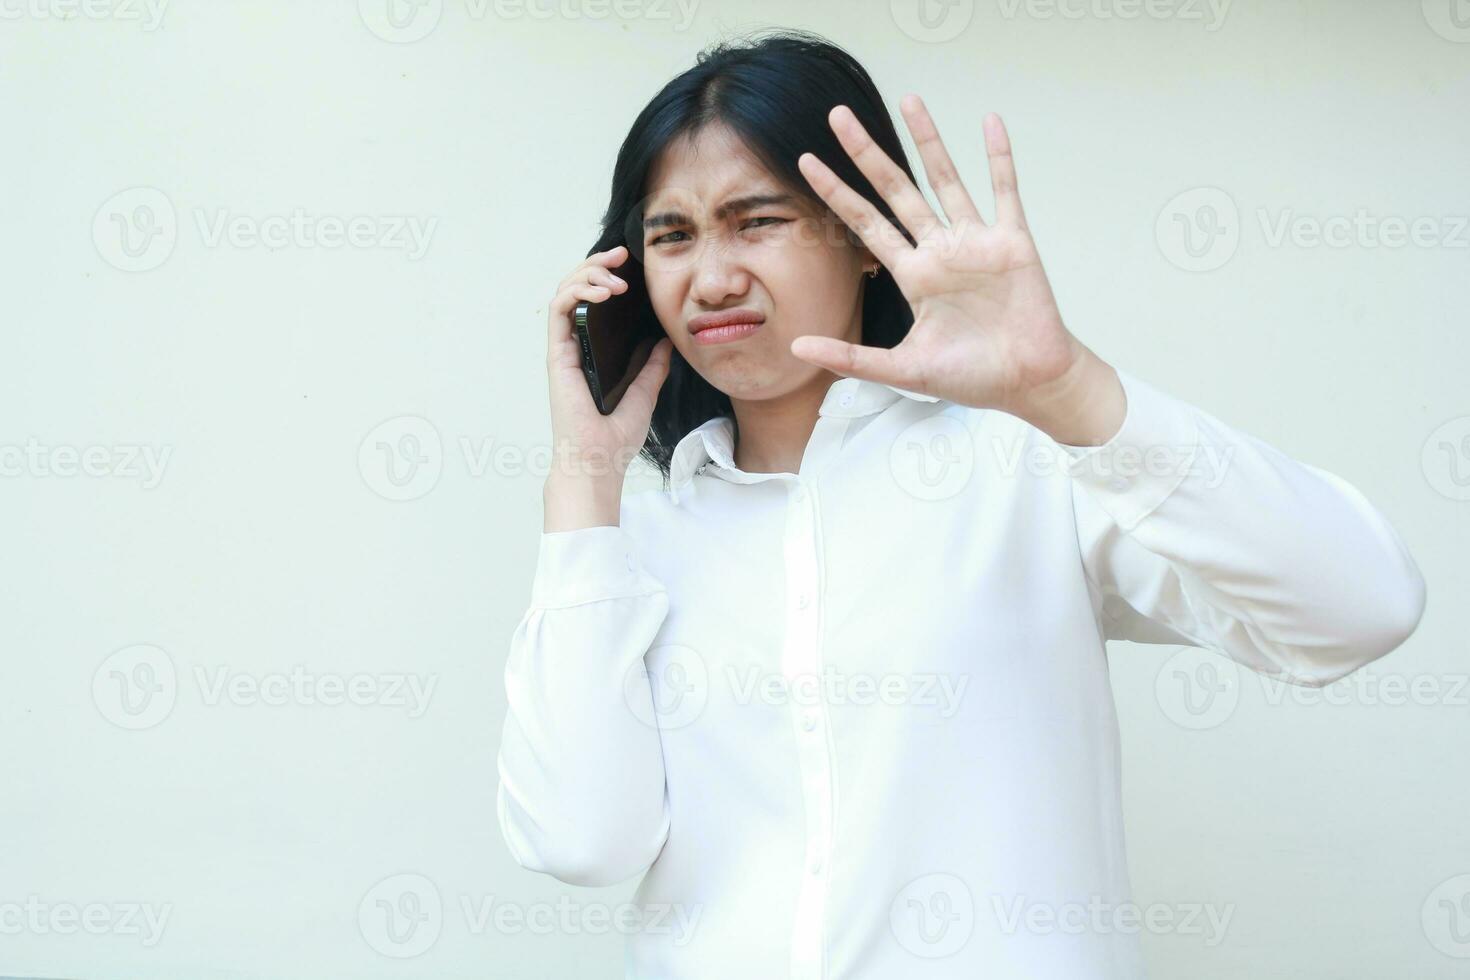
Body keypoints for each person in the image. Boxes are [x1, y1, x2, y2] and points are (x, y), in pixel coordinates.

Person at [496, 28, 1426, 980]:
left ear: (864, 240)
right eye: (673, 235)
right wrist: (584, 487)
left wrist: (1068, 387)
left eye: (757, 220)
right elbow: (582, 841)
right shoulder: (628, 545)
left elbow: (1360, 609)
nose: (713, 276)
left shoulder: (1024, 462)